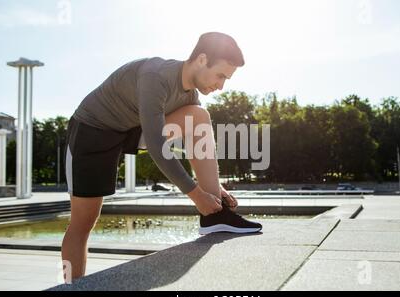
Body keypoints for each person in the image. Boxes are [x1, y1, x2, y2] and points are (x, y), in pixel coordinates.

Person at [62, 32, 262, 280]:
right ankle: (71, 286)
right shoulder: (155, 76)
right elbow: (157, 145)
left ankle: (214, 214)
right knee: (83, 223)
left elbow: (192, 144)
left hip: (131, 130)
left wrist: (213, 188)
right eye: (220, 75)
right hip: (92, 132)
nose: (221, 86)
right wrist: (195, 194)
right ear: (201, 59)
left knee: (198, 116)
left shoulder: (190, 96)